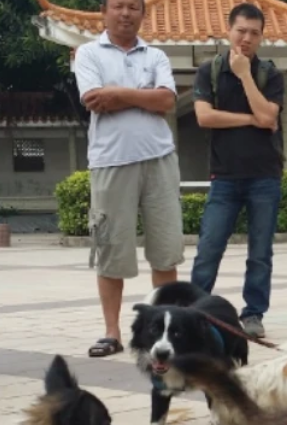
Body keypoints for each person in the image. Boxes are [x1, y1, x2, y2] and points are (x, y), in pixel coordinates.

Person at [73, 0, 184, 357]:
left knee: (165, 253)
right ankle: (111, 332)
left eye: (133, 7)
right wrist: (143, 97)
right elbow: (92, 98)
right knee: (111, 251)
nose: (126, 13)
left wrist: (117, 94)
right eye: (118, 6)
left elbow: (167, 100)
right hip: (110, 162)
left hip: (160, 160)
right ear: (104, 12)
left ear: (142, 13)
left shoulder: (156, 56)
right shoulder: (88, 54)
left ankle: (164, 332)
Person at [189, 3, 284, 339]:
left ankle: (253, 313)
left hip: (264, 177)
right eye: (241, 30)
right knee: (209, 247)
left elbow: (269, 117)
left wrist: (244, 74)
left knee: (260, 252)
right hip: (224, 177)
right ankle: (196, 309)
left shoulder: (269, 74)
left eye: (254, 33)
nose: (246, 38)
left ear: (261, 37)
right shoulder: (209, 71)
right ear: (228, 30)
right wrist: (250, 119)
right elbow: (204, 117)